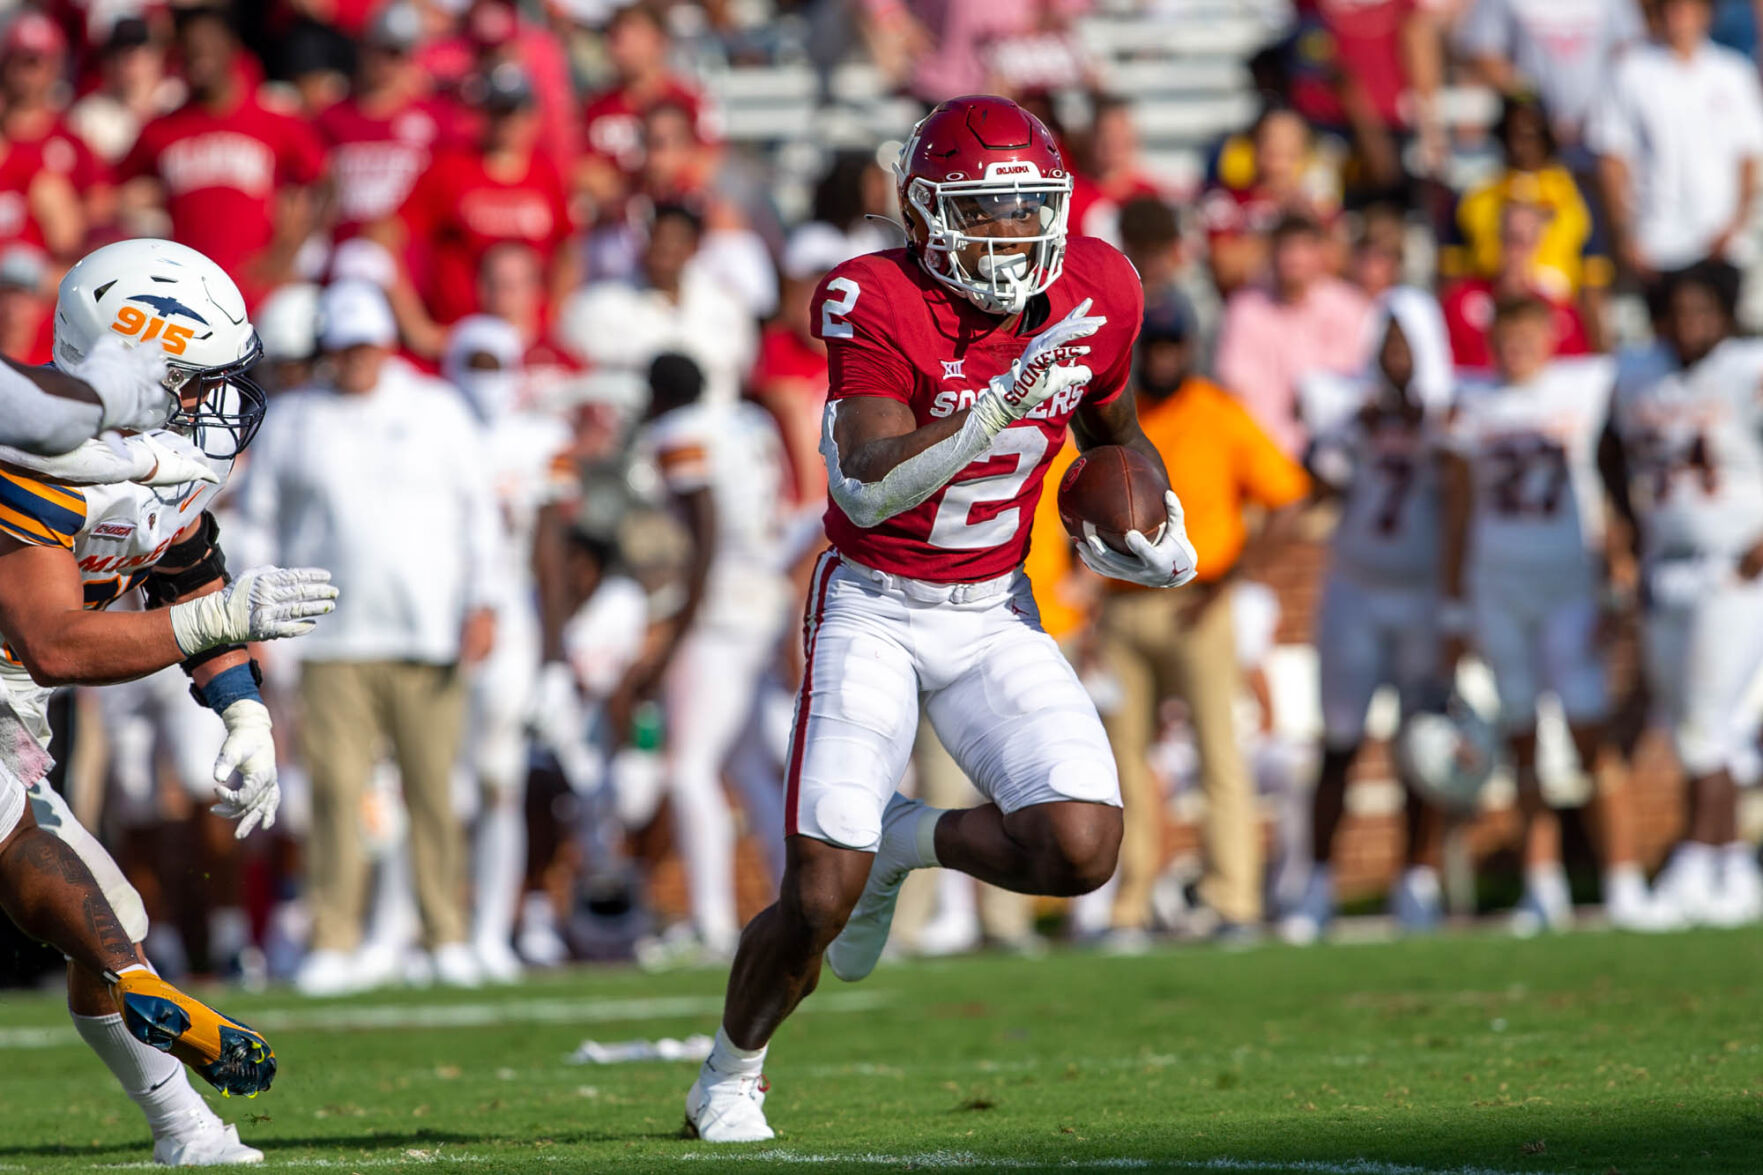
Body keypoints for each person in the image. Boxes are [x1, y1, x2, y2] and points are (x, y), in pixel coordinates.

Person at [682, 94, 1199, 1143]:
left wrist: (1157, 523)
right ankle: (728, 1075)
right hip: (873, 600)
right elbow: (867, 485)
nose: (1010, 235)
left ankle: (908, 838)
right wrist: (997, 406)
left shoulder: (1095, 285)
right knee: (820, 889)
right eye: (984, 209)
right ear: (919, 216)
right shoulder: (870, 296)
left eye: (1025, 207)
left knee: (1080, 845)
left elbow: (1117, 436)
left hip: (992, 604)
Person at [0, 238, 341, 1164]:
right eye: (199, 380)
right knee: (35, 851)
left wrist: (244, 713)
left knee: (108, 906)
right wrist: (220, 621)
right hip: (11, 686)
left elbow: (190, 578)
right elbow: (54, 642)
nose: (219, 403)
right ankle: (144, 995)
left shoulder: (153, 466)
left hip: (12, 707)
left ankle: (184, 1125)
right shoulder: (31, 452)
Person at [238, 281, 500, 995]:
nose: (353, 360)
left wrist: (485, 601)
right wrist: (259, 620)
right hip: (328, 638)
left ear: (385, 344)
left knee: (435, 791)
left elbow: (480, 512)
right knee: (332, 794)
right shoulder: (293, 420)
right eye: (341, 348)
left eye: (364, 346)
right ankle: (332, 936)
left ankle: (446, 932)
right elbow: (258, 523)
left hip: (426, 631)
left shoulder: (437, 409)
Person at [1437, 296, 1671, 934]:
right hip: (1499, 585)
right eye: (1506, 335)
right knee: (1521, 739)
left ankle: (1624, 879)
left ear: (1550, 338)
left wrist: (1615, 580)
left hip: (1569, 584)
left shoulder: (1586, 385)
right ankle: (1543, 887)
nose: (1517, 347)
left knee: (1589, 733)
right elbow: (1458, 508)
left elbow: (1613, 476)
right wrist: (1456, 608)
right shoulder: (1471, 400)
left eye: (1528, 334)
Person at [1096, 295, 1310, 944]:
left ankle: (1234, 898)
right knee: (1123, 763)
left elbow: (1288, 498)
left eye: (1171, 345)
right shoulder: (1110, 416)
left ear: (1189, 348)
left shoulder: (1217, 412)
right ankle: (1128, 905)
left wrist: (1231, 576)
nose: (1162, 357)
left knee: (1221, 751)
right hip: (1121, 603)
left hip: (1197, 602)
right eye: (1152, 347)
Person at [1283, 289, 1454, 944]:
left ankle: (1417, 879)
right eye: (1386, 343)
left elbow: (1460, 489)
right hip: (1355, 588)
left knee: (1422, 744)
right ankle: (1318, 882)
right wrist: (1339, 430)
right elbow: (1318, 482)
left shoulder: (1446, 417)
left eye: (1406, 343)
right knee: (1339, 740)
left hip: (1422, 594)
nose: (1395, 357)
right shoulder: (1356, 413)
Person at [1605, 265, 1763, 925]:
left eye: (1702, 310)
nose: (1689, 324)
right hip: (1664, 565)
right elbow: (1606, 452)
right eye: (1677, 311)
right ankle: (1731, 871)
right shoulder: (1637, 373)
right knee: (1699, 729)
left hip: (1733, 567)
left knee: (1704, 722)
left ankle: (1692, 861)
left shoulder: (1746, 368)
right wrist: (1627, 529)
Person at [627, 352, 792, 957]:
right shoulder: (747, 423)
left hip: (718, 610)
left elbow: (703, 527)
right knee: (749, 770)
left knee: (689, 768)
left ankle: (712, 921)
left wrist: (677, 631)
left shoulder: (681, 433)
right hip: (761, 600)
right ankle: (790, 906)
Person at [441, 315, 574, 981]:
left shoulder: (540, 438)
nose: (486, 383)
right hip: (436, 618)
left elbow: (550, 552)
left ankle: (492, 927)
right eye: (476, 365)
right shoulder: (427, 430)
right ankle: (436, 928)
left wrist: (555, 659)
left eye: (498, 365)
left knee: (499, 779)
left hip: (512, 620)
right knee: (442, 785)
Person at [115, 6, 326, 307]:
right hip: (187, 293)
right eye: (189, 46)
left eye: (208, 43)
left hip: (259, 290)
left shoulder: (272, 120)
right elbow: (112, 187)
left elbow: (327, 182)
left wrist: (286, 253)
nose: (199, 52)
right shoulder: (161, 130)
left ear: (232, 48)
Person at [375, 62, 576, 351]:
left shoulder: (545, 172)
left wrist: (554, 313)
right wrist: (416, 327)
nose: (506, 122)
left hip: (530, 343)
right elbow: (384, 236)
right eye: (497, 112)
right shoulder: (451, 168)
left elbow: (568, 248)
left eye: (513, 112)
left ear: (532, 115)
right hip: (463, 342)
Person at [1589, 0, 1763, 281]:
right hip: (1653, 244)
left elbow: (1748, 156)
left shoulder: (1734, 73)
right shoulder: (1629, 71)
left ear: (1706, 14)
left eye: (1687, 7)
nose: (1677, 16)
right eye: (1670, 7)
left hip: (1721, 244)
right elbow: (1613, 157)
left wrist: (1736, 225)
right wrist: (1624, 233)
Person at [560, 202, 756, 409]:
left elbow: (741, 373)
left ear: (694, 247)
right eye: (659, 238)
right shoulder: (597, 306)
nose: (667, 249)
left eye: (677, 240)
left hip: (711, 426)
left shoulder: (727, 307)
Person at [1215, 213, 1373, 459]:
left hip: (1337, 454)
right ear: (1272, 253)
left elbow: (1358, 386)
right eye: (1287, 248)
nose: (1295, 258)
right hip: (1265, 456)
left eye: (1305, 247)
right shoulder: (1246, 309)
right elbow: (1237, 392)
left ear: (1321, 253)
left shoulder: (1349, 308)